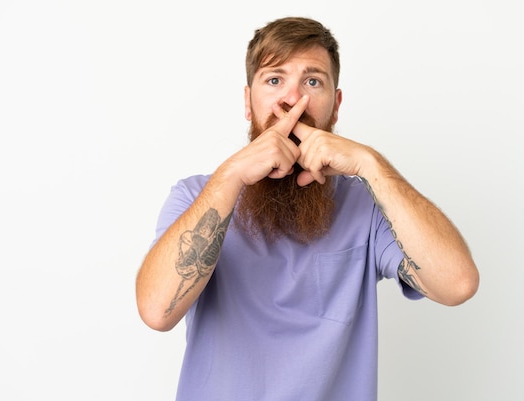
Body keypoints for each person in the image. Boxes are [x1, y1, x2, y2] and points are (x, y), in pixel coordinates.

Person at [135, 16, 479, 401]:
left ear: (336, 105)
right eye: (274, 79)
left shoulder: (367, 206)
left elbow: (457, 285)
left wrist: (371, 164)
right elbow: (155, 312)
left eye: (312, 81)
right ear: (248, 102)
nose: (292, 100)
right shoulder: (196, 196)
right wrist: (230, 175)